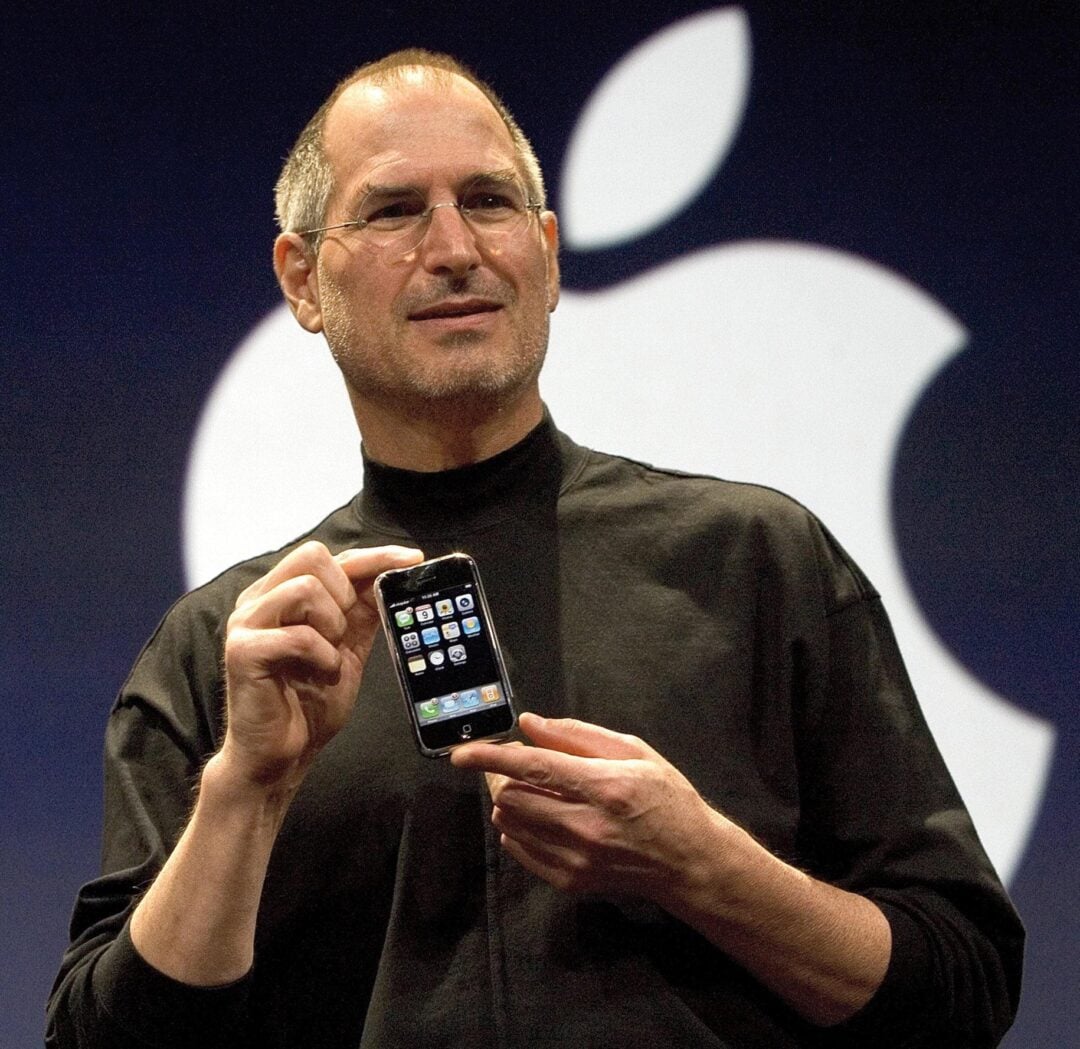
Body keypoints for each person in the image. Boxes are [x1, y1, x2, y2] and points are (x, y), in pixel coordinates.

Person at [47, 49, 1022, 1048]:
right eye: (394, 210)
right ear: (302, 278)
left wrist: (706, 868)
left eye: (489, 200)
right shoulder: (231, 646)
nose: (455, 247)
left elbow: (963, 986)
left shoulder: (756, 559)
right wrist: (245, 790)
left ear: (548, 257)